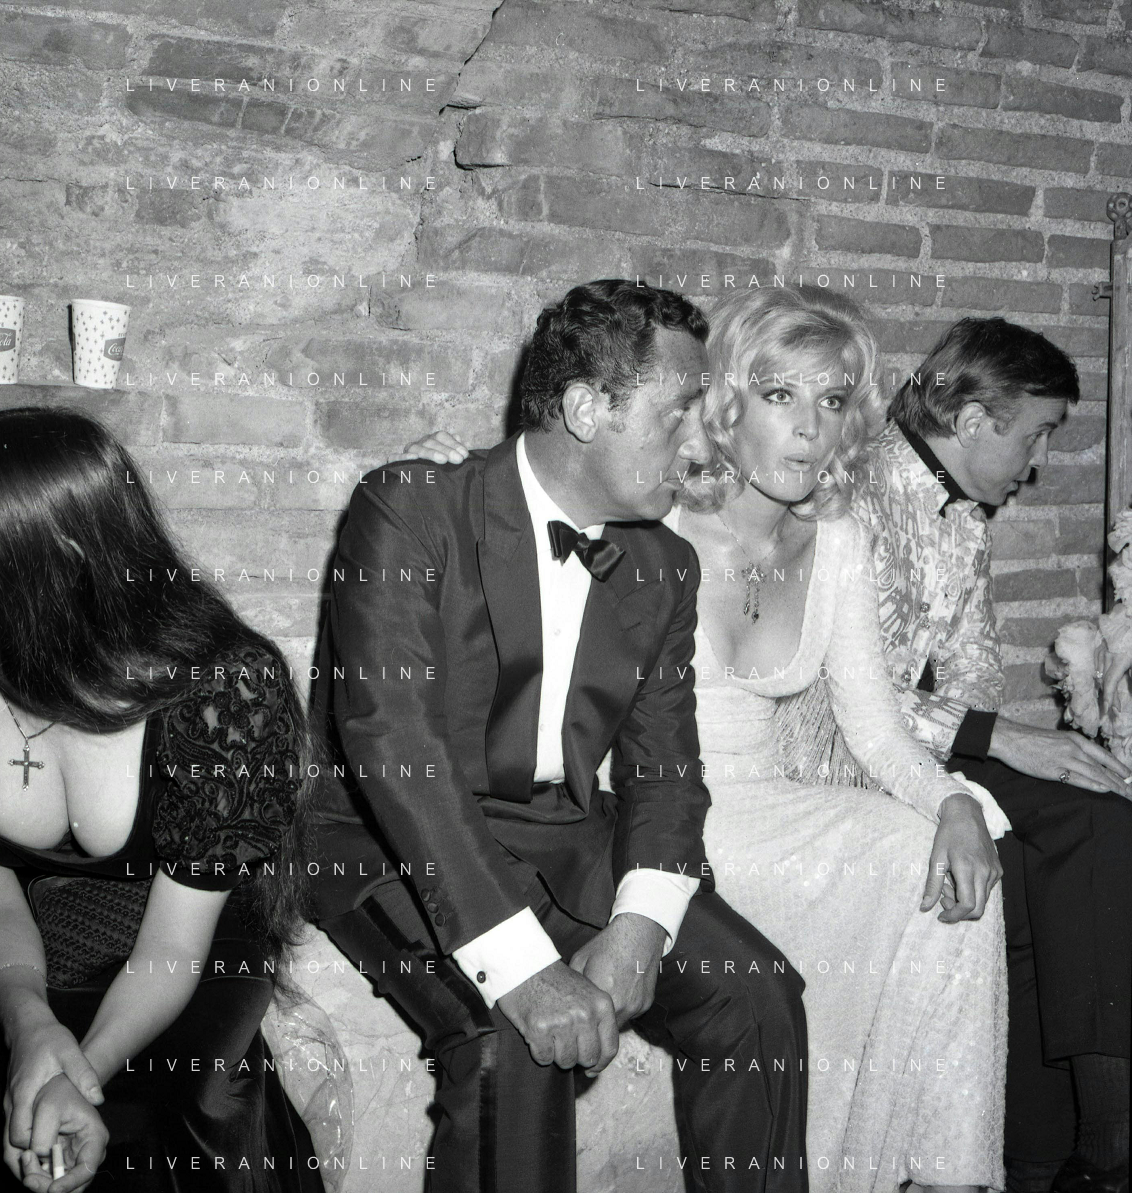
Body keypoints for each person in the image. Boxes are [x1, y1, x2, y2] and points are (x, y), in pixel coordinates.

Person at [402, 285, 1011, 1192]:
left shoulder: (836, 542)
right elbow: (528, 513)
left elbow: (877, 728)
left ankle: (938, 1174)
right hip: (651, 815)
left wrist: (955, 801)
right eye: (779, 394)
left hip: (771, 803)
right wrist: (449, 473)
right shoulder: (651, 509)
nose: (808, 427)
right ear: (723, 402)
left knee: (939, 857)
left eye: (832, 399)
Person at [310, 280, 810, 1193]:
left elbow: (666, 771)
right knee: (510, 1041)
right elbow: (394, 751)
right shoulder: (410, 508)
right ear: (585, 410)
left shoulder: (663, 563)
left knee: (756, 994)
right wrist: (522, 968)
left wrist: (639, 924)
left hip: (562, 833)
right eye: (678, 412)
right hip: (390, 841)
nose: (703, 444)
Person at [0, 408, 321, 1192]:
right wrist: (29, 1024)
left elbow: (173, 944)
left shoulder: (224, 691)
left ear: (51, 559)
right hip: (4, 947)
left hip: (183, 946)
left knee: (186, 1101)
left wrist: (80, 1072)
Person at [827, 318, 1131, 1193]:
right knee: (1060, 848)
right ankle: (1102, 1151)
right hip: (842, 756)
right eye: (1036, 434)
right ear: (969, 422)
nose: (1039, 462)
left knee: (1092, 822)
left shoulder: (961, 515)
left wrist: (1007, 744)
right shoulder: (853, 497)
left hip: (930, 744)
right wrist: (995, 739)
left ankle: (1061, 1156)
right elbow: (845, 692)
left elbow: (973, 672)